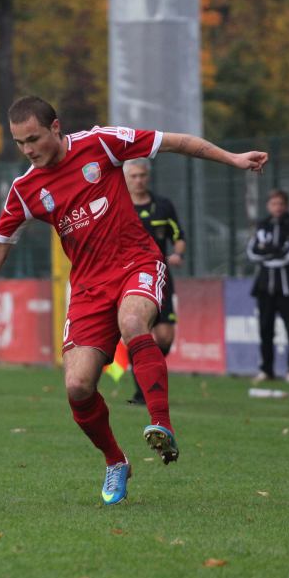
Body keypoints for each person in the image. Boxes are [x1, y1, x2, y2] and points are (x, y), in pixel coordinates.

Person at [0, 96, 267, 505]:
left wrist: (233, 159)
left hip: (137, 262)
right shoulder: (25, 189)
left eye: (34, 138)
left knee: (134, 323)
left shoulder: (102, 144)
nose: (28, 150)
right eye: (20, 142)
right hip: (88, 288)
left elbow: (176, 142)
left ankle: (160, 424)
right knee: (77, 386)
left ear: (55, 127)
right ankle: (116, 460)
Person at [121, 158, 185, 406]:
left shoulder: (163, 206)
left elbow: (179, 236)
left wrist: (178, 253)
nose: (138, 180)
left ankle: (146, 366)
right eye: (133, 176)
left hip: (161, 277)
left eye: (142, 175)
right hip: (130, 277)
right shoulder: (119, 206)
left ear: (148, 176)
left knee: (165, 339)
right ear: (126, 178)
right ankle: (142, 392)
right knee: (139, 330)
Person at [246, 189, 289, 384]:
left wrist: (267, 254)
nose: (277, 208)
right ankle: (266, 369)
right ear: (268, 206)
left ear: (286, 206)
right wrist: (273, 252)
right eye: (274, 204)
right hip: (264, 288)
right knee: (265, 330)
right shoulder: (262, 226)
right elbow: (252, 253)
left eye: (280, 204)